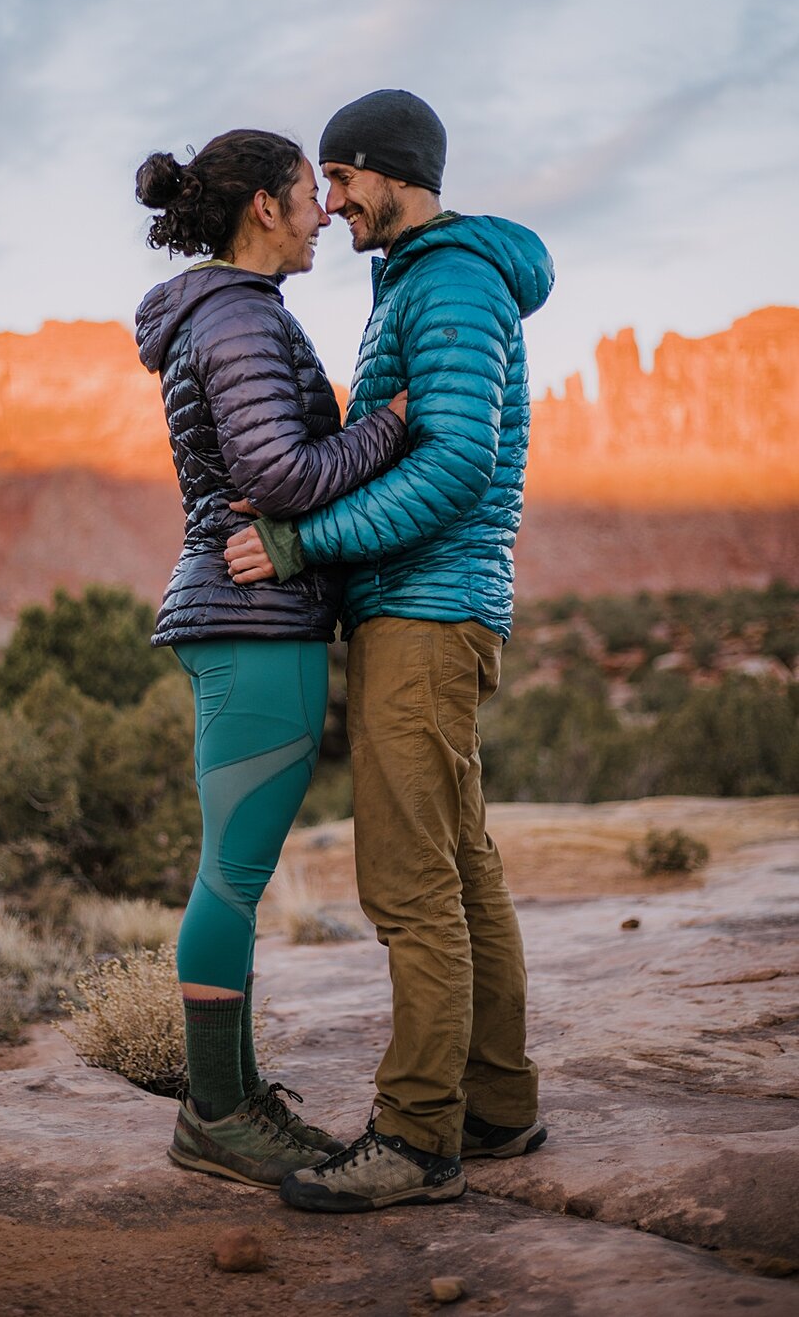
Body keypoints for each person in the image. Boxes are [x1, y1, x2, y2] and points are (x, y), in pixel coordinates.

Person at [224, 90, 555, 1213]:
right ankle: (499, 1106)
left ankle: (417, 1140)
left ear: (388, 172)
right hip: (433, 608)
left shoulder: (450, 279)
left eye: (341, 178)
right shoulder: (423, 281)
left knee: (408, 883)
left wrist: (302, 540)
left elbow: (456, 463)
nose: (331, 205)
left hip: (425, 611)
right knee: (461, 866)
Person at [133, 128, 408, 1189]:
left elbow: (269, 475)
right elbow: (281, 477)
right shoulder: (241, 318)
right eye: (308, 192)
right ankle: (215, 1115)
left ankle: (233, 1102)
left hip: (243, 615)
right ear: (263, 207)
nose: (322, 211)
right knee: (233, 876)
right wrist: (388, 423)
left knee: (230, 873)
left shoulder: (227, 314)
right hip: (254, 617)